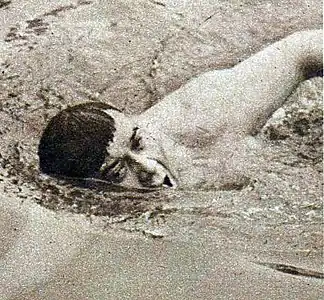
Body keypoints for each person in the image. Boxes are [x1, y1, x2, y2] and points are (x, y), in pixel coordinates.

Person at [39, 29, 323, 189]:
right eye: (117, 172)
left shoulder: (204, 114)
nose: (148, 168)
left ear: (137, 124)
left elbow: (300, 51)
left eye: (138, 143)